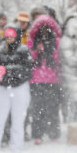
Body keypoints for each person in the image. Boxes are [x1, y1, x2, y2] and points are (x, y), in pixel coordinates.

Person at [0, 26, 32, 153]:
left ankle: (17, 146)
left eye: (12, 36)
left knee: (18, 118)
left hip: (20, 87)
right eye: (7, 36)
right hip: (3, 87)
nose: (9, 39)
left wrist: (8, 71)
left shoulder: (24, 50)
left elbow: (28, 69)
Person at [26, 10, 62, 142]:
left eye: (47, 28)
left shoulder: (57, 42)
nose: (44, 31)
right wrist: (36, 51)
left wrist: (51, 51)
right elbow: (29, 59)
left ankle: (53, 132)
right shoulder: (32, 42)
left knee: (53, 107)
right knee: (37, 108)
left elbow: (59, 60)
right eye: (41, 28)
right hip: (36, 79)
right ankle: (38, 134)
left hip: (53, 79)